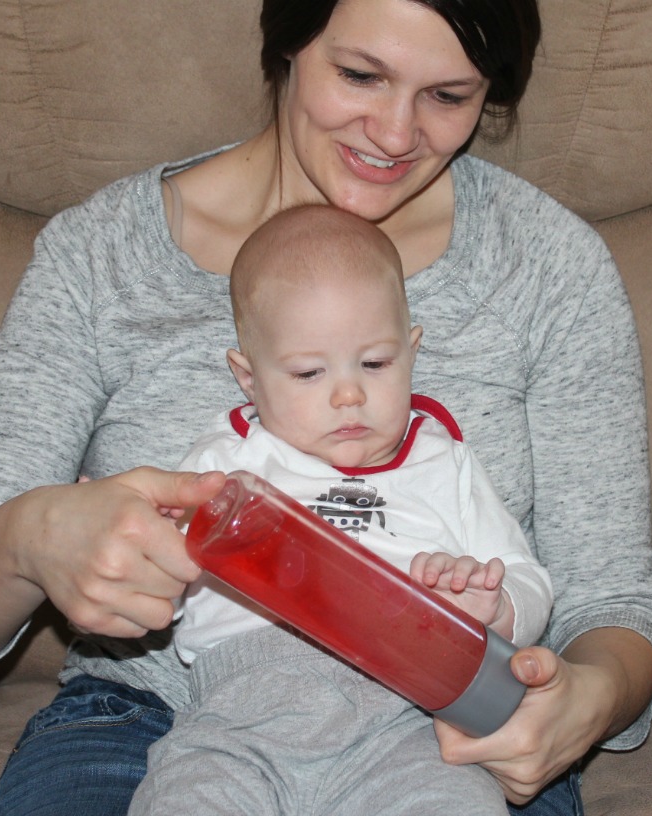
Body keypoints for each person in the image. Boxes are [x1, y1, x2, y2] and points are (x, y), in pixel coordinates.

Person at [0, 1, 652, 815]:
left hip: (436, 727)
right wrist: (28, 539)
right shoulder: (100, 256)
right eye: (360, 75)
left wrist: (590, 696)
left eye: (448, 96)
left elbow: (611, 601)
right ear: (289, 41)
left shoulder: (547, 268)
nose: (395, 135)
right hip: (145, 718)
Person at [127, 202, 554, 815]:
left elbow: (530, 576)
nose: (349, 394)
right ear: (249, 380)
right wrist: (141, 542)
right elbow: (154, 585)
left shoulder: (445, 463)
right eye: (307, 373)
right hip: (240, 719)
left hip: (408, 727)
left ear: (411, 352)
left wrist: (496, 606)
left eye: (376, 363)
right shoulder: (226, 461)